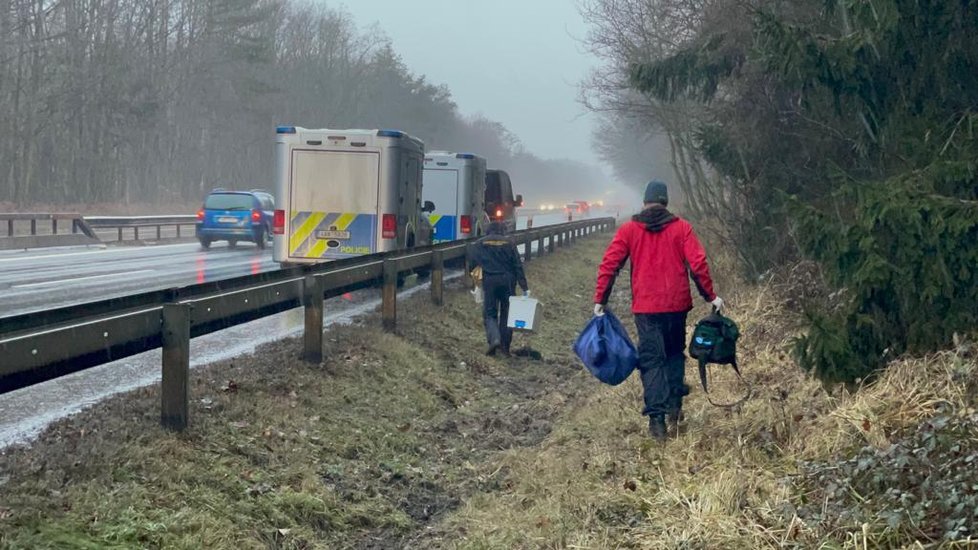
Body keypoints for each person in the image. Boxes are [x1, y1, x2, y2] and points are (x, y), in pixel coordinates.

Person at [592, 180, 723, 441]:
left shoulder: (629, 230)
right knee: (674, 354)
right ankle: (675, 407)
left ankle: (657, 421)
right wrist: (711, 296)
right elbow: (697, 264)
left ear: (645, 201)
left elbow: (610, 264)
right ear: (665, 201)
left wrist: (601, 299)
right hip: (677, 306)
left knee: (652, 360)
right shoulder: (682, 228)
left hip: (646, 308)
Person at [471, 221, 529, 356]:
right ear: (503, 231)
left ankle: (494, 338)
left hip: (489, 280)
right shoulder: (510, 243)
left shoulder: (480, 244)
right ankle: (505, 348)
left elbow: (473, 264)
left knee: (490, 313)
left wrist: (476, 281)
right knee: (507, 314)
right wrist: (524, 286)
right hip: (508, 281)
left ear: (488, 231)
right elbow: (517, 265)